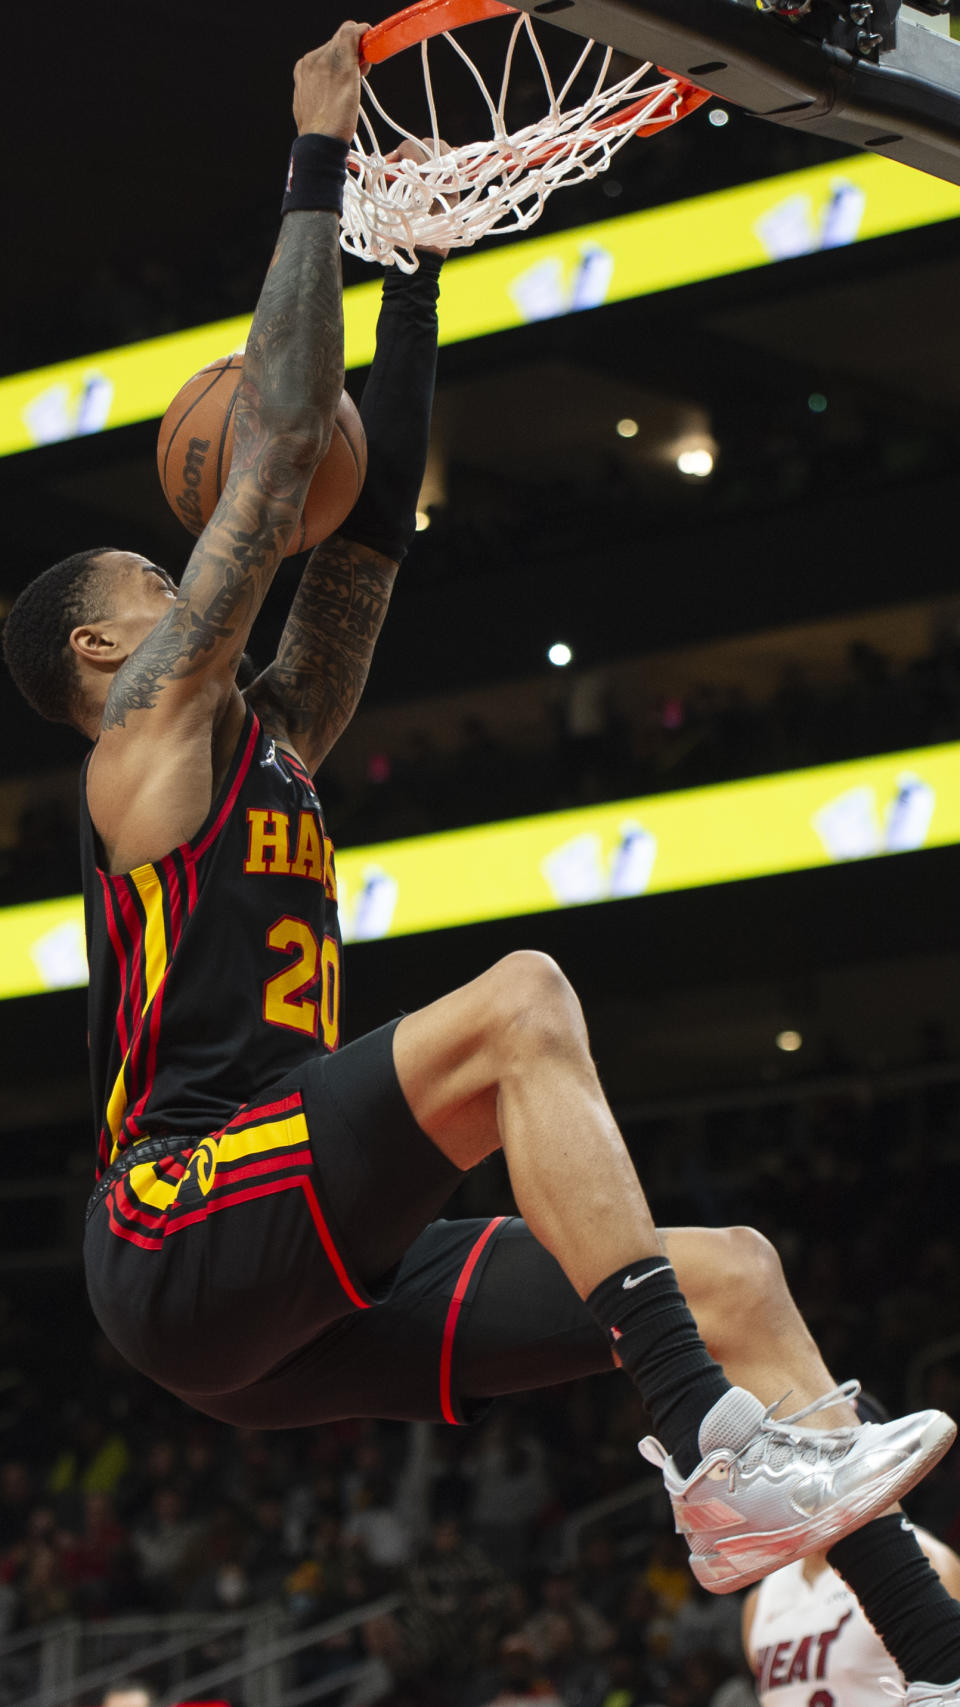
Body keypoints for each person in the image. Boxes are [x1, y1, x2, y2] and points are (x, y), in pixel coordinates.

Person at [1, 16, 957, 1633]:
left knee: (730, 1273)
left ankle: (934, 1659)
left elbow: (362, 542)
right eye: (157, 584)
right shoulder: (144, 739)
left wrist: (419, 279)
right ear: (106, 646)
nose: (188, 592)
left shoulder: (274, 735)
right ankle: (715, 1449)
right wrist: (316, 159)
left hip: (299, 1259)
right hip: (177, 1227)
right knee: (523, 1003)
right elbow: (289, 447)